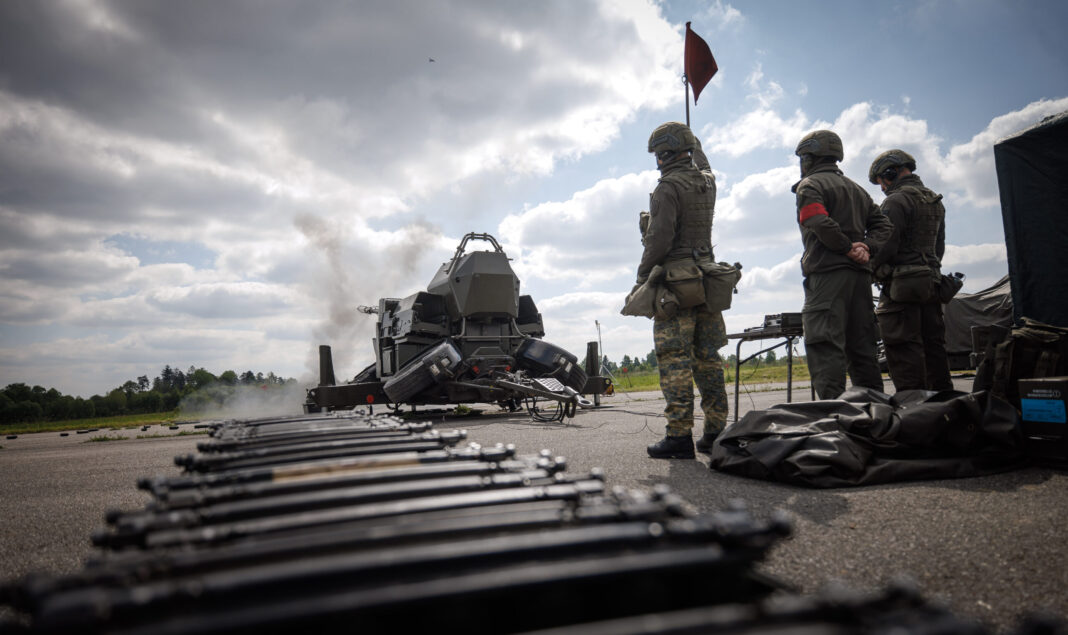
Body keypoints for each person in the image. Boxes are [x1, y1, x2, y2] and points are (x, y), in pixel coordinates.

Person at [638, 122, 728, 459]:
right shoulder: (707, 182)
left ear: (662, 154)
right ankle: (717, 432)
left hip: (676, 285)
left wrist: (643, 277)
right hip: (707, 279)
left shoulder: (667, 188)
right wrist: (695, 142)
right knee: (708, 360)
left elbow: (659, 239)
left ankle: (678, 437)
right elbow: (704, 164)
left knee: (675, 360)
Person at [792, 130, 892, 399]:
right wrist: (866, 247)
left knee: (825, 345)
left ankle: (833, 415)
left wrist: (848, 248)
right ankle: (875, 413)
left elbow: (817, 221)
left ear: (809, 157)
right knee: (862, 347)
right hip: (860, 278)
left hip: (828, 276)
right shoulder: (857, 189)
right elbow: (883, 225)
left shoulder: (809, 185)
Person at [867, 150, 953, 392]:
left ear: (890, 173)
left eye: (881, 182)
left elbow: (885, 246)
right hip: (931, 285)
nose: (882, 189)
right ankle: (945, 407)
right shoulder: (935, 200)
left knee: (904, 349)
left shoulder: (895, 201)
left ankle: (915, 411)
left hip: (902, 290)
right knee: (933, 347)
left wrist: (870, 270)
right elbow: (939, 248)